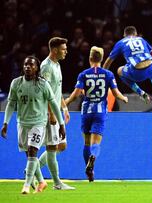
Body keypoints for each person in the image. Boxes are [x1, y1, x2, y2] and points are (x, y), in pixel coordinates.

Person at [1, 56, 66, 194]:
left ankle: (26, 185)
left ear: (37, 68)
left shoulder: (43, 84)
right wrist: (5, 122)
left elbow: (54, 103)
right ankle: (41, 181)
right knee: (30, 156)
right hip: (22, 124)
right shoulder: (16, 83)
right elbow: (11, 103)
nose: (28, 67)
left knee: (32, 151)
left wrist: (61, 124)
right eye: (25, 65)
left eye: (31, 65)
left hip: (38, 123)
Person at [65, 46, 128, 182]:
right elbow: (116, 93)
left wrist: (67, 101)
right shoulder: (108, 74)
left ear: (90, 58)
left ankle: (89, 171)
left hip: (86, 110)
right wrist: (124, 98)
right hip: (100, 112)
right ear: (101, 59)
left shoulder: (83, 74)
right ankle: (93, 158)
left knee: (86, 142)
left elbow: (76, 94)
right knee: (96, 145)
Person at [38, 37, 74, 190]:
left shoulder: (57, 65)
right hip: (48, 112)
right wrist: (51, 113)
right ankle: (57, 183)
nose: (66, 51)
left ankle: (33, 169)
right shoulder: (46, 67)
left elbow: (56, 91)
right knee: (52, 148)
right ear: (54, 50)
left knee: (61, 145)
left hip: (56, 110)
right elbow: (44, 92)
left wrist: (64, 108)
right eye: (63, 49)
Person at [103, 26, 152, 103]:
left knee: (119, 70)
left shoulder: (120, 42)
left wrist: (103, 75)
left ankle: (141, 93)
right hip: (151, 69)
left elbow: (108, 61)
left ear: (124, 35)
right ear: (136, 34)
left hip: (137, 73)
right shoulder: (141, 39)